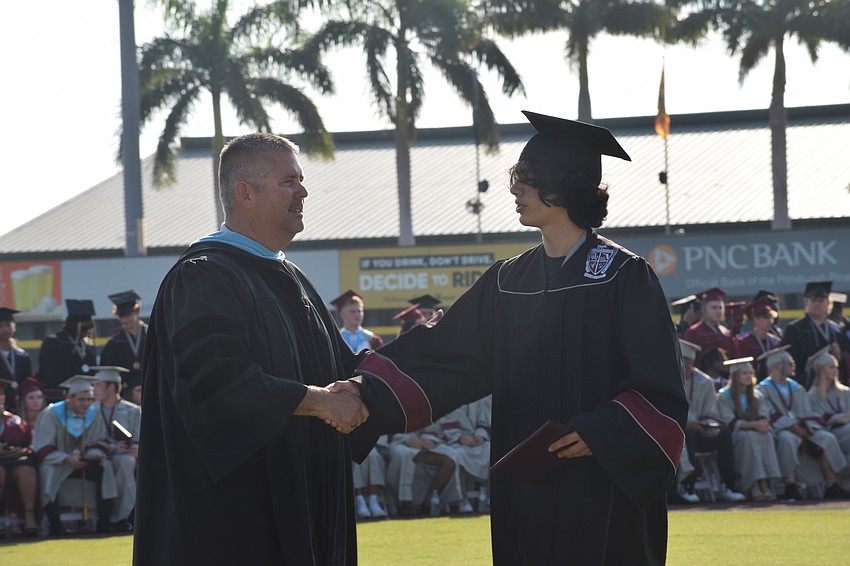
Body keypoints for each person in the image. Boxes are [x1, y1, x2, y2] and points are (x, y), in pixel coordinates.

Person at [344, 111, 687, 565]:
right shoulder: (507, 281)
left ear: (565, 186)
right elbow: (446, 354)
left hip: (599, 481)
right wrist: (362, 392)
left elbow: (659, 384)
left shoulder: (624, 276)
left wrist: (604, 433)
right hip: (526, 484)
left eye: (528, 179)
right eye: (517, 179)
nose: (514, 190)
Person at [133, 133, 369, 565]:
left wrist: (419, 355)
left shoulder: (293, 278)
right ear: (245, 193)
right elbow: (216, 384)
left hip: (308, 502)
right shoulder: (203, 276)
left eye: (301, 180)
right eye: (288, 181)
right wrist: (318, 402)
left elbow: (344, 370)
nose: (304, 191)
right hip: (236, 518)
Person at [756, 345, 850, 500]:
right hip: (781, 430)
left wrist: (808, 427)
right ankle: (790, 484)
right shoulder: (763, 390)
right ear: (778, 366)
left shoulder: (796, 388)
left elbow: (807, 412)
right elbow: (769, 414)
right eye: (790, 364)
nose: (793, 367)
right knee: (788, 438)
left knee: (827, 437)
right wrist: (794, 427)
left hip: (802, 426)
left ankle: (831, 483)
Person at [32, 375, 116, 535]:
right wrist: (67, 458)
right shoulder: (51, 414)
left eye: (89, 399)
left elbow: (99, 440)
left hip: (85, 460)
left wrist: (94, 454)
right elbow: (43, 446)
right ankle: (54, 523)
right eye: (81, 399)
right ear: (69, 398)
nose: (86, 404)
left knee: (106, 466)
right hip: (59, 460)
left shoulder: (93, 413)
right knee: (48, 470)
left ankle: (105, 521)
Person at [679, 339, 744, 502]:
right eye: (681, 360)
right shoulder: (668, 380)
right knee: (688, 434)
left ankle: (727, 485)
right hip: (678, 432)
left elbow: (711, 410)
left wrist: (706, 424)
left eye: (688, 361)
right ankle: (687, 486)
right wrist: (688, 423)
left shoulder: (704, 381)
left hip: (701, 429)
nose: (685, 365)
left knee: (724, 436)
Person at [715, 358, 781, 501]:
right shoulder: (724, 396)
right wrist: (754, 425)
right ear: (735, 376)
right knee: (748, 438)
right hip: (737, 434)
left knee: (767, 436)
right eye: (744, 373)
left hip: (756, 431)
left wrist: (762, 425)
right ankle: (752, 484)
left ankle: (765, 483)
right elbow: (730, 421)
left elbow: (764, 415)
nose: (748, 376)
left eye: (751, 373)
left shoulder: (757, 395)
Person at [91, 366, 139, 531]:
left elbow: (140, 436)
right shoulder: (91, 410)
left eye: (98, 385)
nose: (94, 389)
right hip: (102, 454)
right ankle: (108, 515)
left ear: (111, 387)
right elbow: (90, 438)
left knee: (126, 461)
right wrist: (112, 448)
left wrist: (136, 447)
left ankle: (125, 516)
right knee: (102, 460)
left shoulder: (133, 411)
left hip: (125, 455)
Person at [782, 281, 850, 387]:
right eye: (813, 300)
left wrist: (839, 357)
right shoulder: (795, 329)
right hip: (808, 385)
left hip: (834, 385)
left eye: (821, 300)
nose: (817, 304)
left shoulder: (837, 330)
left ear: (828, 303)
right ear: (806, 303)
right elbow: (791, 361)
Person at [0, 377, 39, 537]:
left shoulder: (15, 421)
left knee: (27, 470)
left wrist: (19, 451)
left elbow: (29, 445)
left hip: (14, 461)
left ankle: (29, 516)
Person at [37, 299, 98, 396]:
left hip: (85, 397)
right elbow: (50, 375)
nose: (86, 332)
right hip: (62, 396)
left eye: (88, 328)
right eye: (83, 328)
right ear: (72, 325)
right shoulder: (54, 343)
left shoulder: (87, 346)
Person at [99, 291, 147, 401]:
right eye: (121, 316)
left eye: (128, 315)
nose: (124, 320)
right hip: (125, 394)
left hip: (152, 388)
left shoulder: (153, 336)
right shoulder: (114, 343)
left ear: (137, 311)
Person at [805, 346, 850, 462]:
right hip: (831, 431)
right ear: (821, 370)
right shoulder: (812, 396)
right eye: (831, 368)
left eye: (836, 367)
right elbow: (816, 420)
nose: (835, 371)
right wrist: (838, 418)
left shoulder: (845, 391)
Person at [684, 287, 735, 368]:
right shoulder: (693, 332)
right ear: (704, 309)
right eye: (714, 307)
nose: (718, 311)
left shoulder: (727, 333)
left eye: (720, 307)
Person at [733, 297, 781, 378]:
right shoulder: (745, 343)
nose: (770, 321)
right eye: (766, 317)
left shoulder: (776, 341)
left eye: (771, 317)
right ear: (756, 319)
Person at [0, 307, 33, 411]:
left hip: (20, 406)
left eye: (8, 325)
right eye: (1, 326)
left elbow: (28, 382)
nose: (5, 329)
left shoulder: (22, 355)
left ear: (14, 327)